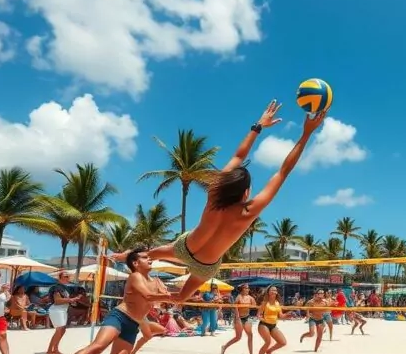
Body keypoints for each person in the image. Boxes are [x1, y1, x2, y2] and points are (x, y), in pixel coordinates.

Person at [112, 101, 328, 301]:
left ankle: (123, 257)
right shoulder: (248, 211)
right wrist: (306, 133)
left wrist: (258, 126)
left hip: (185, 248)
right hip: (206, 265)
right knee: (179, 297)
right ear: (245, 193)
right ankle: (152, 296)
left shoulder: (215, 193)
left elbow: (237, 157)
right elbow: (283, 172)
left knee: (148, 254)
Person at [36, 248, 173, 354]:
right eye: (145, 258)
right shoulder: (135, 276)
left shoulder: (156, 281)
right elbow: (149, 296)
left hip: (133, 325)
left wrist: (177, 296)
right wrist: (173, 296)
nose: (150, 259)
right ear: (136, 263)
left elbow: (162, 300)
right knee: (97, 347)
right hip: (120, 316)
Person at [253, 286, 288, 354]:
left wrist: (288, 314)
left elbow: (281, 316)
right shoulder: (265, 302)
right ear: (268, 292)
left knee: (283, 342)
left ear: (276, 293)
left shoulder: (277, 303)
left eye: (275, 290)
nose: (274, 291)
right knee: (268, 342)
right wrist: (263, 319)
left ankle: (269, 351)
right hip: (263, 324)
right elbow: (258, 315)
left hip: (273, 325)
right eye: (272, 290)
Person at [45, 272, 76, 354]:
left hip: (62, 309)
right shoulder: (57, 288)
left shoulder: (64, 288)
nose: (68, 278)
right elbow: (57, 301)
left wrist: (71, 301)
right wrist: (70, 300)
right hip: (57, 310)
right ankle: (49, 351)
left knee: (62, 330)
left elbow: (63, 300)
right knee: (59, 330)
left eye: (68, 276)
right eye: (66, 276)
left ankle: (55, 349)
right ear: (60, 278)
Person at [221, 284, 257, 354]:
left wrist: (254, 302)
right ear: (242, 289)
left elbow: (255, 306)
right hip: (239, 317)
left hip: (247, 317)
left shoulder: (250, 298)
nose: (248, 289)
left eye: (248, 288)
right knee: (238, 337)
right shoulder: (239, 297)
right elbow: (235, 307)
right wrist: (237, 317)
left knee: (250, 335)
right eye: (246, 288)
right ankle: (224, 347)